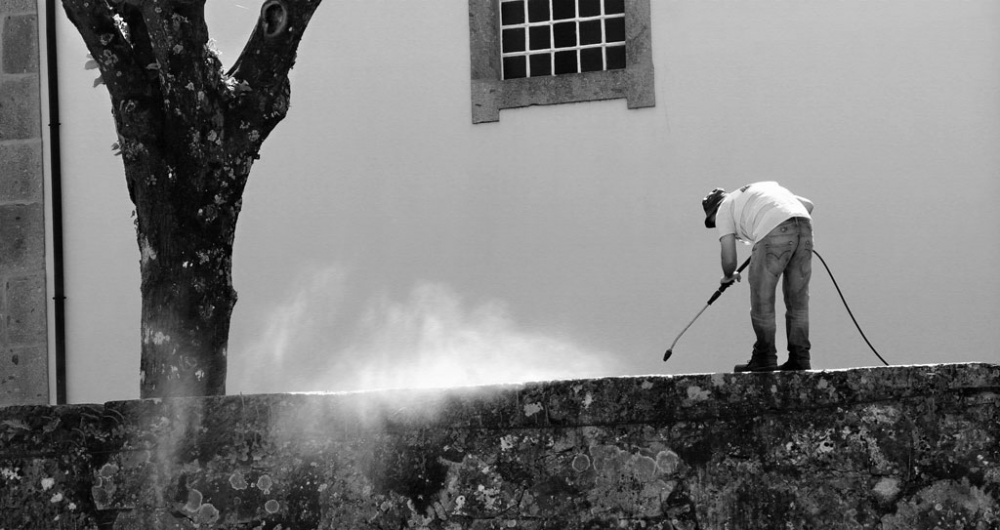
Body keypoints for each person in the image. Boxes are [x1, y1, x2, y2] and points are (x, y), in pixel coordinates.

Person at [701, 182, 815, 372]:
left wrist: (728, 275)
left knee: (763, 298)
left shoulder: (724, 209)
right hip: (804, 227)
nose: (716, 225)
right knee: (798, 301)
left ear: (714, 211)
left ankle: (765, 356)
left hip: (773, 232)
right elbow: (808, 205)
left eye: (713, 223)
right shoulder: (755, 192)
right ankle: (800, 359)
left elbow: (729, 259)